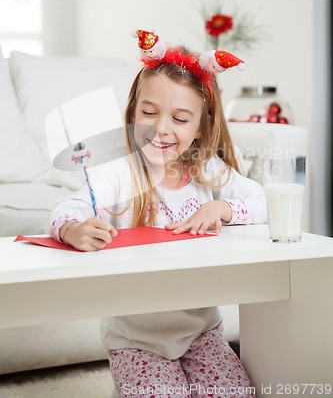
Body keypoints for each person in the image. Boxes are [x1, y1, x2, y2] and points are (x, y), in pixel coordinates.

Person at [46, 31, 267, 397]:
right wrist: (73, 228)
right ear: (134, 113)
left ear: (199, 129)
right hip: (135, 337)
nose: (161, 128)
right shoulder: (120, 173)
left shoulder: (206, 169)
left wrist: (223, 207)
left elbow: (261, 201)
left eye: (180, 119)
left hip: (202, 331)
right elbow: (65, 208)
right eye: (149, 112)